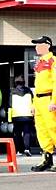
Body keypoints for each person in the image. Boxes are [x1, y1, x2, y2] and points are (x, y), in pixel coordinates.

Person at [29, 35, 56, 172]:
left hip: (49, 99)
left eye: (39, 44)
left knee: (53, 129)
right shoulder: (39, 63)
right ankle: (47, 159)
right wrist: (34, 104)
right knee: (42, 131)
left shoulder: (53, 61)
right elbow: (37, 85)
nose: (36, 47)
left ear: (48, 45)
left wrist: (54, 101)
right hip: (39, 100)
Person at [10, 75, 33, 157]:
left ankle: (18, 150)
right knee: (27, 132)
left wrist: (9, 118)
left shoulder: (12, 92)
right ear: (24, 82)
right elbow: (33, 101)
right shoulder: (29, 91)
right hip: (27, 115)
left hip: (16, 115)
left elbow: (10, 105)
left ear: (16, 83)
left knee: (17, 133)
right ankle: (27, 149)